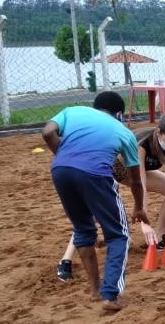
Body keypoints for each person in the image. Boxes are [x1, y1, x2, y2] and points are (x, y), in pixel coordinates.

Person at [42, 91, 155, 312]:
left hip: (60, 171)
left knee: (83, 230)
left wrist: (63, 154)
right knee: (118, 235)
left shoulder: (73, 111)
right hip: (96, 174)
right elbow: (135, 180)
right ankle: (110, 295)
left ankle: (95, 290)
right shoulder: (124, 132)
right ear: (119, 113)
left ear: (95, 107)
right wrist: (140, 207)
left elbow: (47, 132)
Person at [57, 112, 165, 282]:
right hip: (108, 170)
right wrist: (144, 221)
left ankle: (159, 237)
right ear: (158, 132)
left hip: (132, 174)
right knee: (94, 212)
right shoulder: (141, 143)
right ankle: (65, 260)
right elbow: (140, 183)